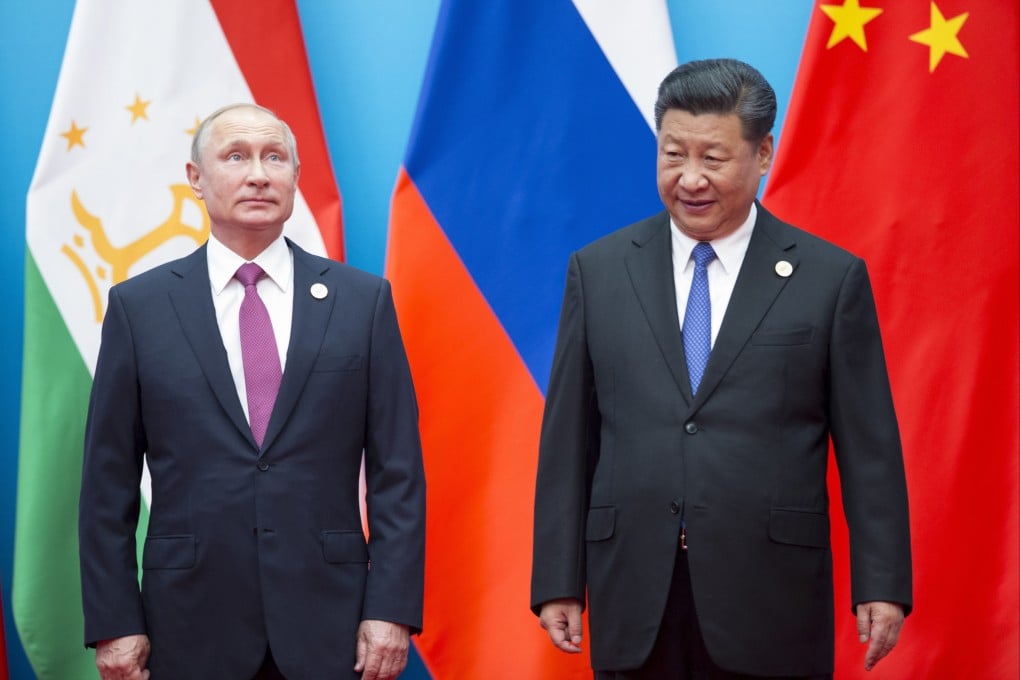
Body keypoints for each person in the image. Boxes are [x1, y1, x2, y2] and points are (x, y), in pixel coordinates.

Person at [531, 59, 911, 679]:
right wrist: (557, 578)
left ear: (762, 154)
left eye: (713, 158)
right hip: (635, 593)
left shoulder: (828, 278)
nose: (690, 179)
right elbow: (569, 440)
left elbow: (870, 448)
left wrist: (883, 581)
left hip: (771, 598)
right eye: (673, 154)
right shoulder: (598, 272)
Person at [79, 103, 426, 680]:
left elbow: (398, 473)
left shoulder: (362, 302)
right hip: (188, 622)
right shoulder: (139, 308)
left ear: (294, 176)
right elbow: (106, 483)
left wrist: (390, 610)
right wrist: (115, 621)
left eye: (275, 158)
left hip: (332, 624)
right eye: (235, 157)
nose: (259, 174)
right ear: (195, 178)